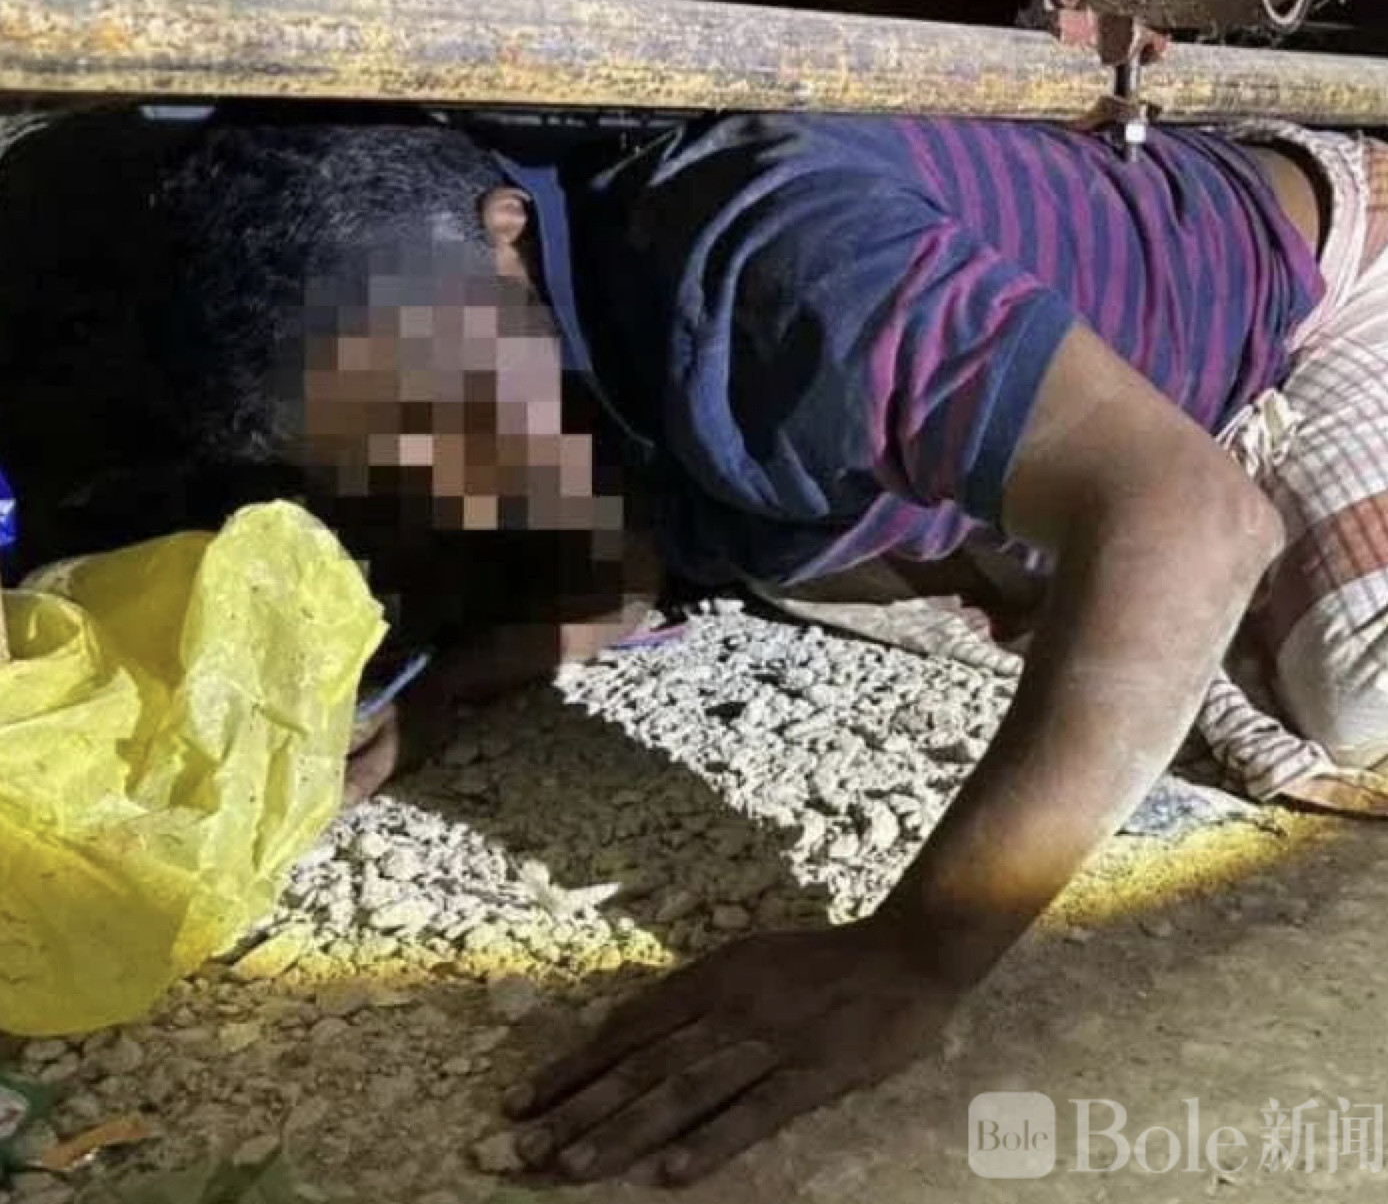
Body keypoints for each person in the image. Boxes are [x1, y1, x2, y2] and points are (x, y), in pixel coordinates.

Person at [8, 102, 1382, 1183]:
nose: (457, 485)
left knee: (1348, 691)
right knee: (851, 541)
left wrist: (915, 957)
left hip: (1319, 292)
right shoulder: (544, 314)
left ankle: (1150, 486)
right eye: (391, 465)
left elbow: (1194, 521)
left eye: (443, 418)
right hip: (1113, 397)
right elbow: (633, 563)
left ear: (503, 231)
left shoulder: (768, 263)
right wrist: (432, 707)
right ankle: (1092, 491)